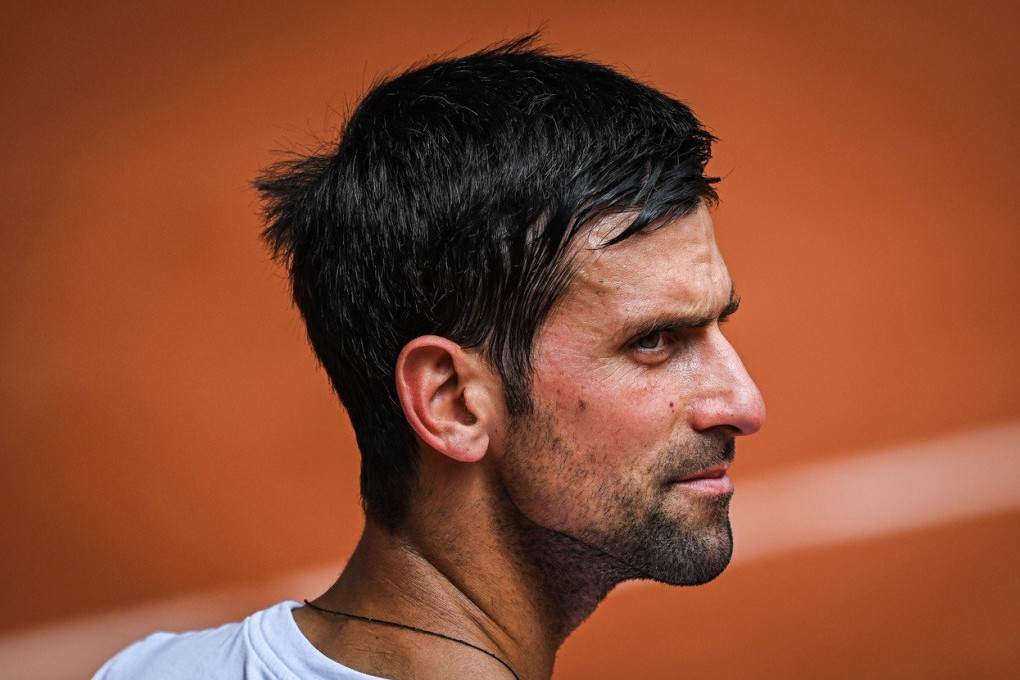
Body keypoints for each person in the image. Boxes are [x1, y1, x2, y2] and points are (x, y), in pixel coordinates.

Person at [93, 35, 765, 680]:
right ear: (452, 403)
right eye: (654, 341)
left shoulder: (147, 671)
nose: (744, 404)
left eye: (718, 325)